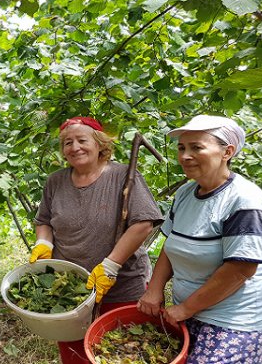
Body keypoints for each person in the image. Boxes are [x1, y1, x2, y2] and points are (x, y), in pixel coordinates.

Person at [137, 115, 262, 364]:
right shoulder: (185, 193)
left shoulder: (245, 202)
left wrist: (185, 309)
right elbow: (171, 246)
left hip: (237, 317)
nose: (185, 156)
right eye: (182, 148)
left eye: (197, 147)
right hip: (191, 307)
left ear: (227, 152)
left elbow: (240, 270)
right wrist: (155, 290)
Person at [29, 116, 163, 363]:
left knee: (119, 350)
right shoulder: (56, 181)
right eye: (68, 143)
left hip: (120, 287)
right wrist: (43, 244)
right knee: (75, 353)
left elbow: (143, 223)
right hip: (72, 289)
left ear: (100, 144)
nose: (75, 147)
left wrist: (110, 267)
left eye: (82, 140)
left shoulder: (123, 176)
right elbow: (44, 220)